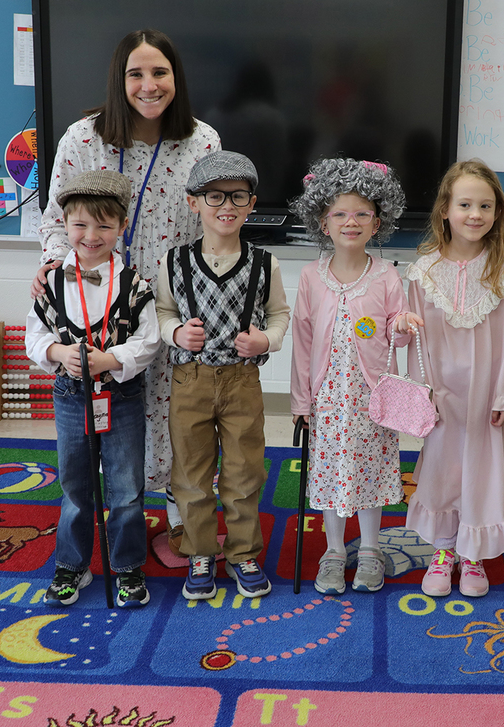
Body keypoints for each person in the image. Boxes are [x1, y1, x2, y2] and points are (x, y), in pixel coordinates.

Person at [36, 29, 221, 550]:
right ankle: (113, 516)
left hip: (175, 303)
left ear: (175, 78)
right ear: (120, 80)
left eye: (159, 72)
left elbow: (216, 222)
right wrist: (54, 268)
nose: (148, 84)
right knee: (109, 413)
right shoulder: (82, 138)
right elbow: (53, 221)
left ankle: (181, 519)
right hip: (100, 304)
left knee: (176, 413)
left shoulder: (203, 141)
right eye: (135, 74)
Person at [155, 151, 290, 600]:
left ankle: (243, 552)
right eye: (215, 196)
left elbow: (278, 315)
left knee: (244, 471)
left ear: (252, 204)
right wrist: (174, 331)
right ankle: (199, 550)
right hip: (189, 381)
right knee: (191, 473)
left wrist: (266, 342)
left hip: (241, 382)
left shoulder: (264, 263)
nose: (226, 205)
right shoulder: (173, 263)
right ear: (195, 203)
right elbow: (161, 311)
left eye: (238, 196)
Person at [25, 170, 160, 608]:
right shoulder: (50, 282)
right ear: (65, 225)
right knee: (75, 487)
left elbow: (149, 340)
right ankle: (72, 564)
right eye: (80, 224)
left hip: (119, 400)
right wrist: (55, 353)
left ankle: (126, 566)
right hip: (69, 398)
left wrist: (113, 359)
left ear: (122, 228)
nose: (91, 235)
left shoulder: (137, 285)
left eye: (104, 225)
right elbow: (34, 335)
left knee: (125, 489)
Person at [290, 158, 420, 595]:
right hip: (327, 398)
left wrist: (401, 326)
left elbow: (395, 335)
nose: (351, 221)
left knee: (369, 474)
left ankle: (368, 549)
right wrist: (300, 402)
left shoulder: (386, 275)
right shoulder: (310, 276)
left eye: (362, 213)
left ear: (377, 223)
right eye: (340, 214)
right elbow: (303, 345)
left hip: (371, 396)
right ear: (322, 223)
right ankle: (333, 550)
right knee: (329, 475)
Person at [404, 159, 504, 599]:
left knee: (481, 464)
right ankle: (443, 548)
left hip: (487, 391)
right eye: (465, 204)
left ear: (497, 214)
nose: (474, 214)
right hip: (441, 390)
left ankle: (472, 552)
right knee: (441, 464)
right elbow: (416, 339)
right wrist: (420, 393)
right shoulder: (423, 271)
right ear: (445, 210)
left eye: (485, 205)